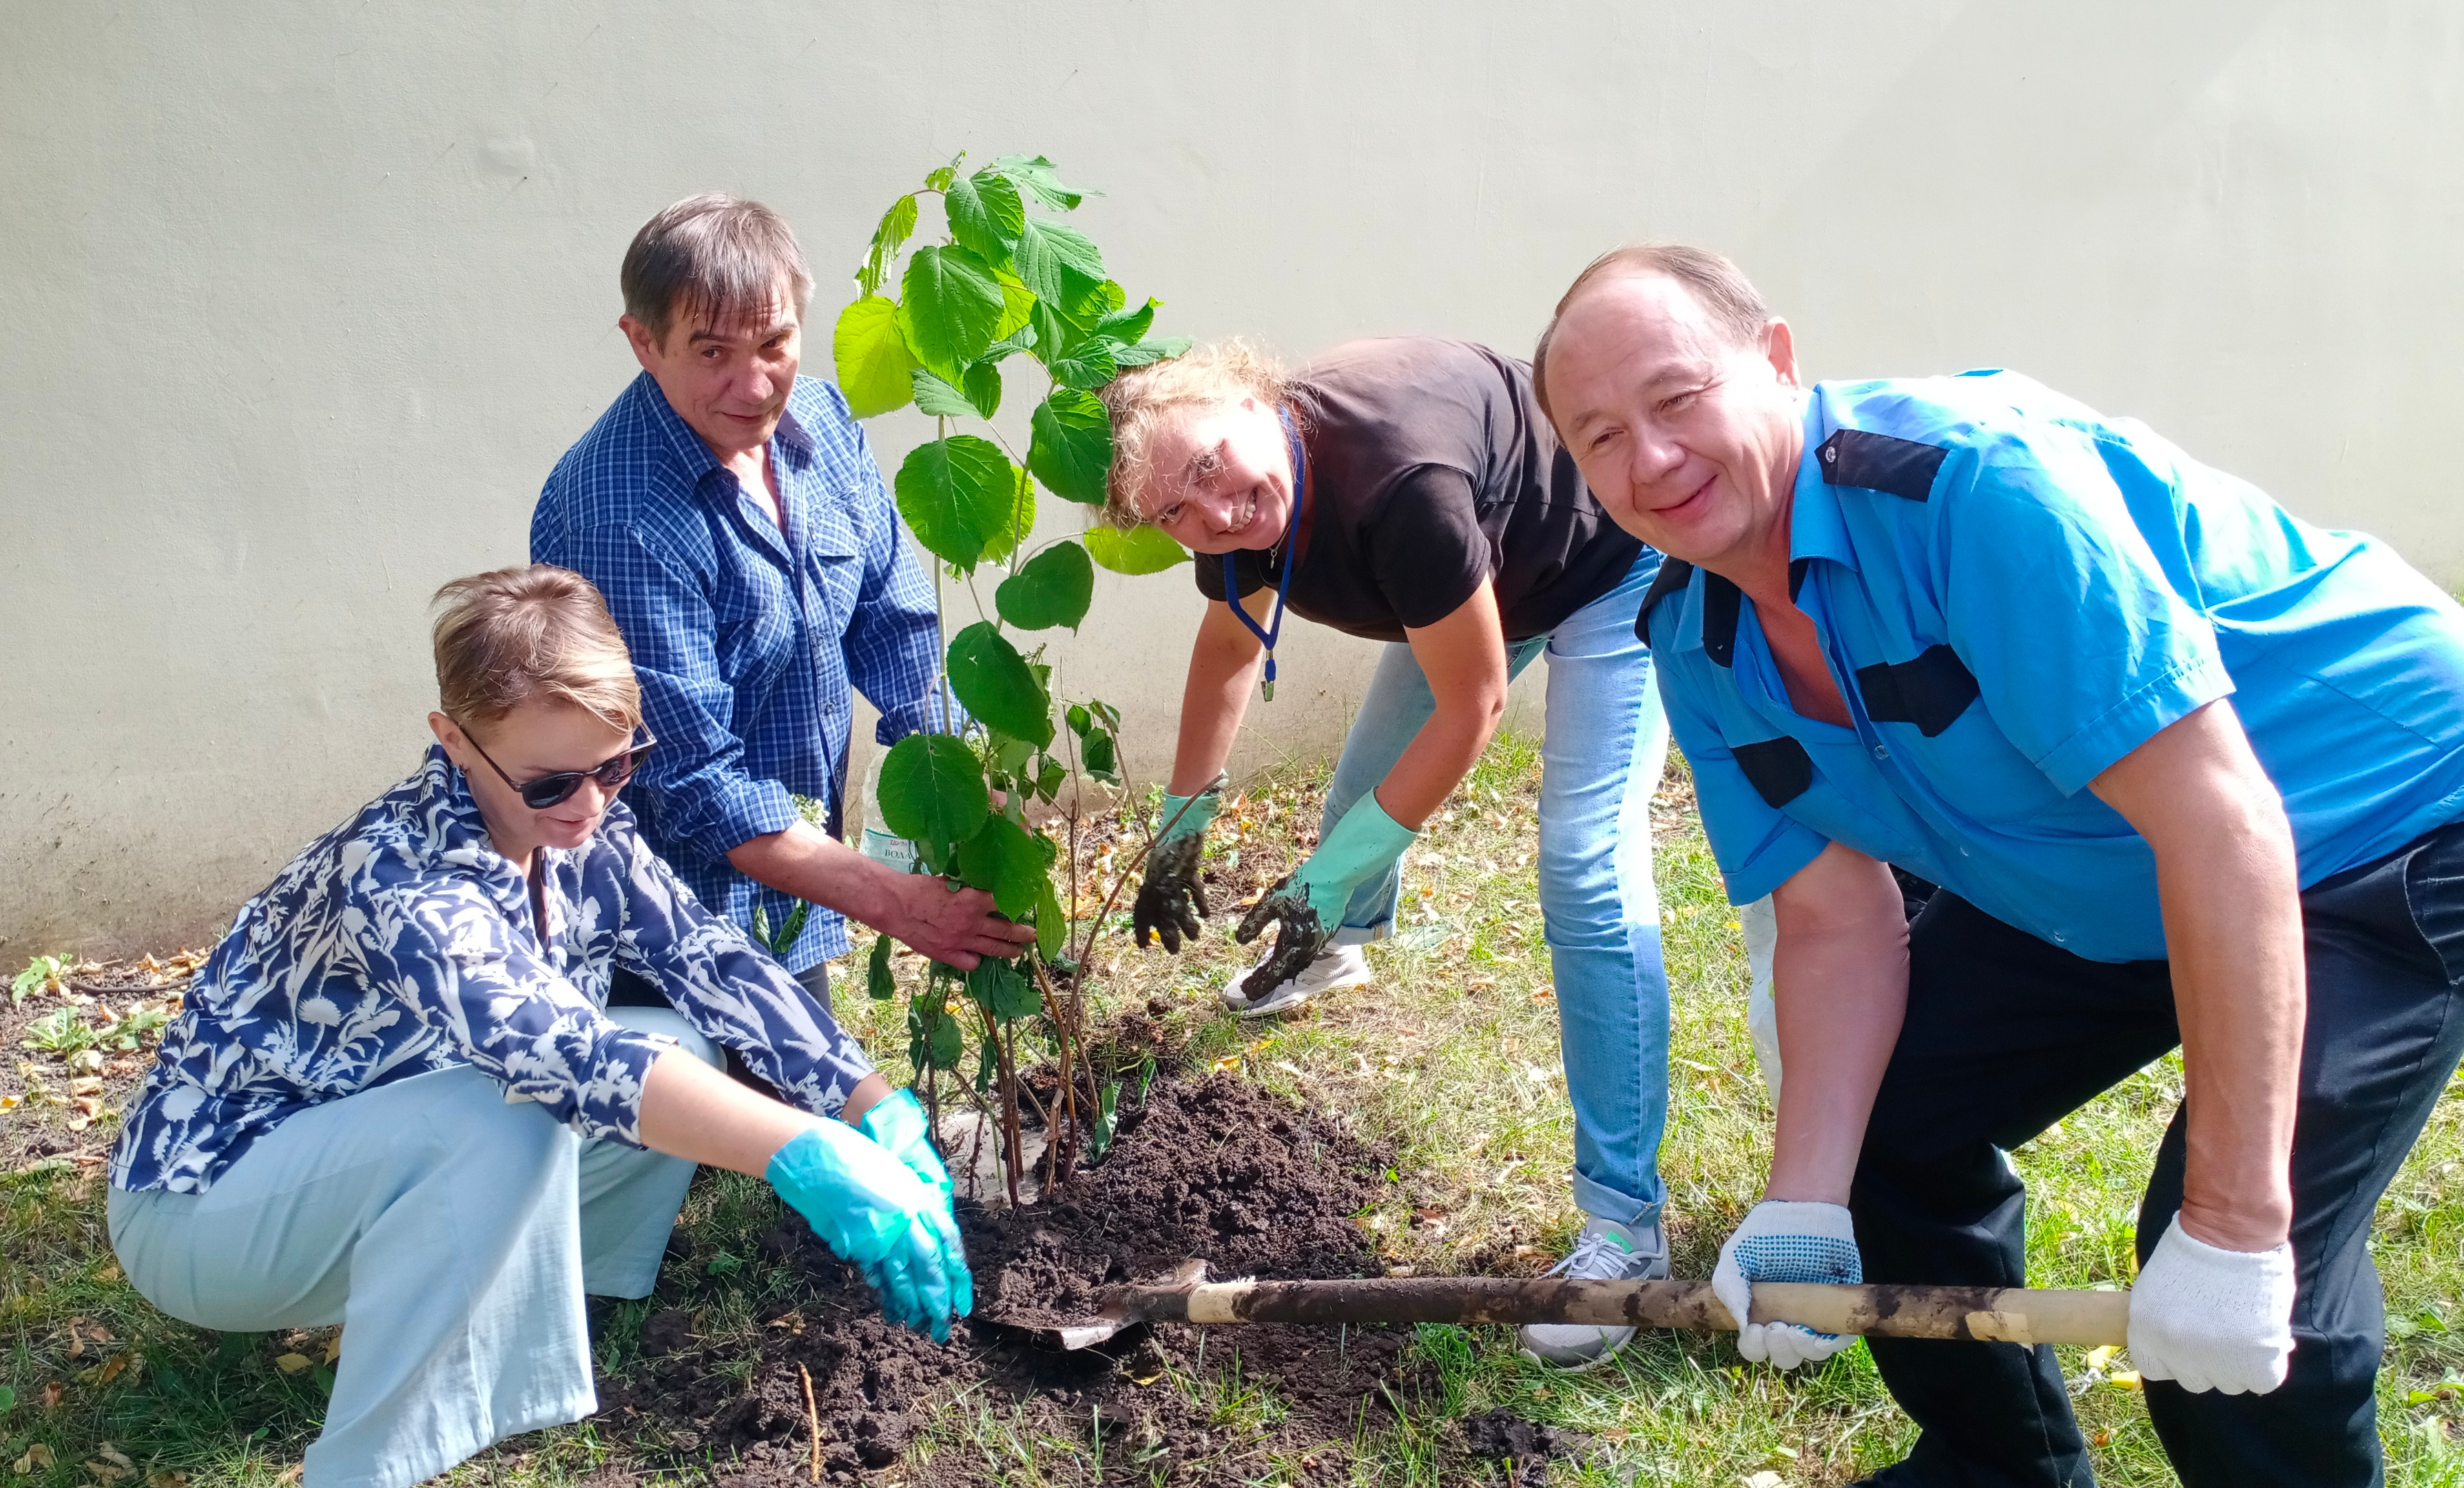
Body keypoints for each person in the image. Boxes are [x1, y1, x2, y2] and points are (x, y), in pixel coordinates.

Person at [1533, 244, 2464, 1485]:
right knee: (1891, 1125)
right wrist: (1804, 1203)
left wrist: (2236, 1225)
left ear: (1778, 361)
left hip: (2399, 811)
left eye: (1675, 397)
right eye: (1597, 436)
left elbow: (2219, 820)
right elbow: (1833, 923)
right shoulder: (1697, 640)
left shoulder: (1974, 490)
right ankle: (2002, 1465)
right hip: (2115, 860)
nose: (1647, 460)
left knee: (2222, 1241)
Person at [108, 567, 972, 1488]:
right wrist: (802, 1149)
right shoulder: (401, 877)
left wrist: (873, 1103)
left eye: (615, 764)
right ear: (453, 739)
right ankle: (366, 1467)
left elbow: (708, 958)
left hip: (349, 1164)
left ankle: (559, 1297)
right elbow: (568, 1057)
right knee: (507, 1112)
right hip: (209, 1210)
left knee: (683, 1052)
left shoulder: (585, 830)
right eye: (551, 781)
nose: (590, 805)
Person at [1100, 337, 1672, 1370]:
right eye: (1175, 509)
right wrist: (1180, 824)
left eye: (1211, 469)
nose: (1215, 512)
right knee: (1366, 790)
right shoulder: (1230, 493)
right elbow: (1232, 644)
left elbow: (1475, 703)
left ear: (1256, 397)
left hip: (1600, 566)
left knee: (1586, 870)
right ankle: (1336, 941)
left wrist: (1321, 875)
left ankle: (1625, 1229)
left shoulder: (1399, 486)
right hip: (1482, 565)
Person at [532, 193, 1032, 1011]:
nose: (755, 384)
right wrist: (897, 901)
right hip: (663, 926)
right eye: (713, 352)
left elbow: (895, 627)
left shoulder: (824, 424)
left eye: (775, 343)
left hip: (787, 885)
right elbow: (696, 785)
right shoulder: (620, 515)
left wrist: (973, 782)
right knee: (738, 1130)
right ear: (643, 342)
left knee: (802, 1112)